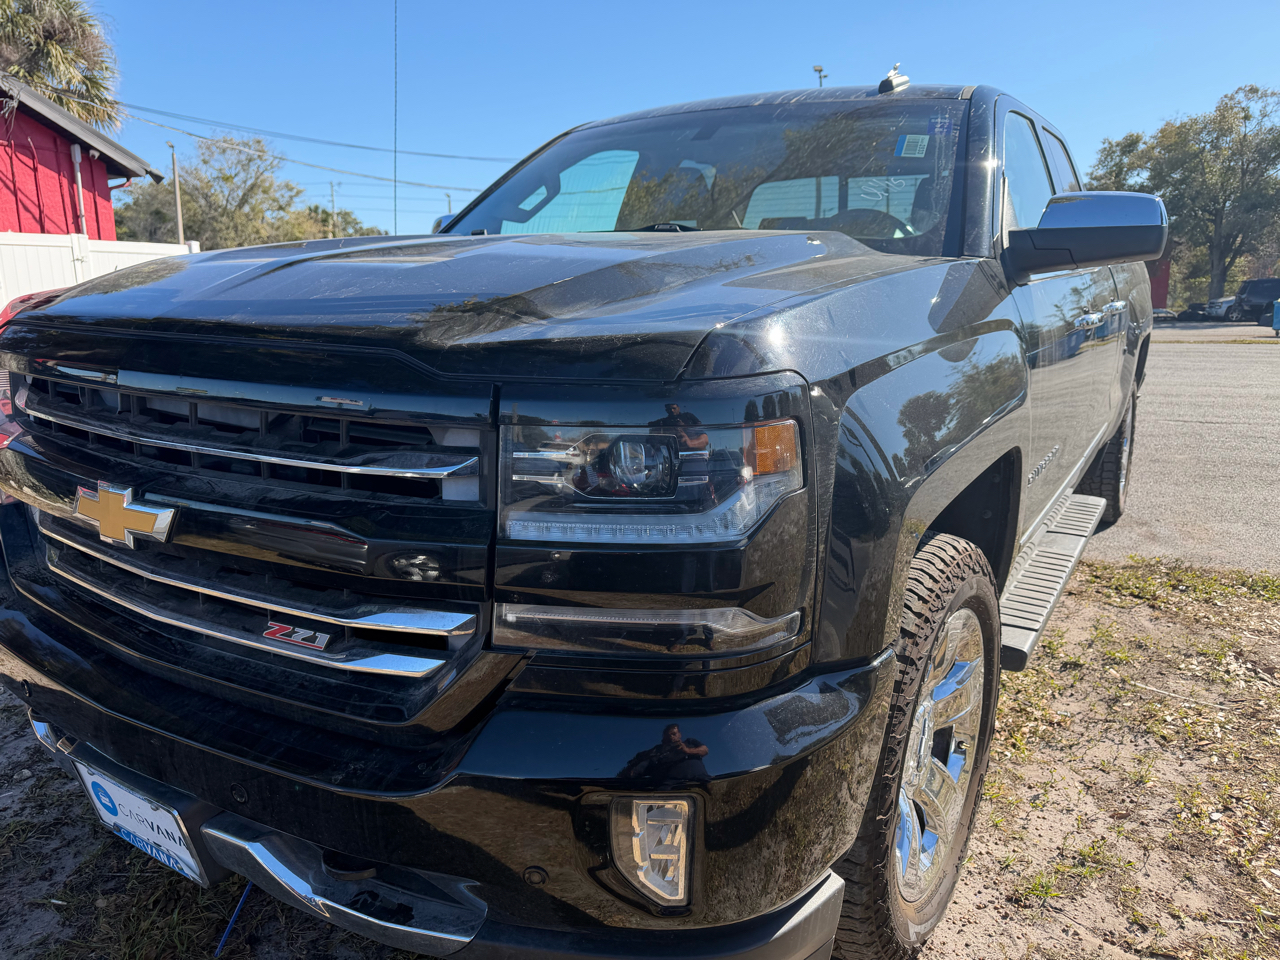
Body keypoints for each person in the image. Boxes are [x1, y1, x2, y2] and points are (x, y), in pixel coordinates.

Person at [619, 724, 711, 785]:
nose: (672, 737)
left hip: (699, 781)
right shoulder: (658, 750)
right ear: (664, 738)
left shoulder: (690, 741)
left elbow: (705, 750)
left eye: (674, 734)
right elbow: (646, 762)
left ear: (679, 734)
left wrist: (687, 750)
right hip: (670, 786)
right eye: (668, 735)